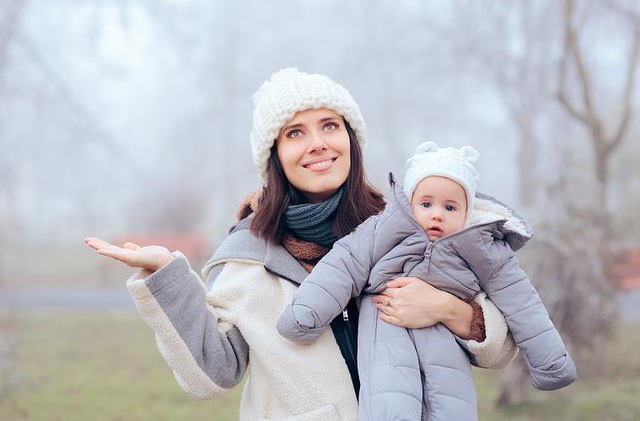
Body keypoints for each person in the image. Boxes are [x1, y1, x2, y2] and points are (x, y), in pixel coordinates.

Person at [84, 68, 517, 421]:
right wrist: (166, 277)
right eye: (294, 133)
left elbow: (500, 348)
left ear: (350, 139)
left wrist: (448, 309)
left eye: (330, 125)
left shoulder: (410, 226)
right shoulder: (248, 257)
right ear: (274, 155)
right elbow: (212, 376)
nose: (318, 144)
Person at [277, 141, 578, 420]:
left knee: (450, 405)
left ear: (467, 212)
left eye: (450, 207)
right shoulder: (385, 228)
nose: (437, 215)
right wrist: (306, 314)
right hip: (386, 330)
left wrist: (550, 363)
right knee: (390, 403)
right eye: (426, 204)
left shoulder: (482, 247)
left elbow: (522, 302)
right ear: (410, 202)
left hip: (444, 343)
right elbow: (344, 263)